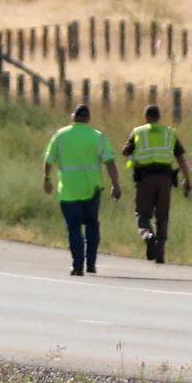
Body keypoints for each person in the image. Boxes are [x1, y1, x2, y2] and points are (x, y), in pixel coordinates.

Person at [42, 103, 121, 275]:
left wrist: (47, 179)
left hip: (69, 190)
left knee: (74, 227)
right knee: (92, 224)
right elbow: (110, 163)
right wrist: (116, 184)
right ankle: (91, 263)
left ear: (73, 117)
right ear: (89, 119)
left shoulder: (60, 135)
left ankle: (78, 265)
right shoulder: (98, 137)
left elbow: (49, 160)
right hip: (92, 189)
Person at [126, 102, 189, 264]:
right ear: (159, 117)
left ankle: (147, 235)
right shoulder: (170, 133)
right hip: (165, 180)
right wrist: (188, 180)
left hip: (145, 179)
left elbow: (126, 151)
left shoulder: (138, 132)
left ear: (146, 117)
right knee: (162, 216)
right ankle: (160, 254)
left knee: (142, 213)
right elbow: (181, 158)